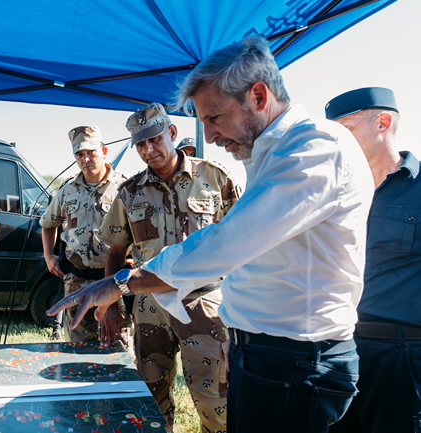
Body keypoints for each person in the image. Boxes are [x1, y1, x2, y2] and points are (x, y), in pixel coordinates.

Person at [48, 36, 375, 433]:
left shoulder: (314, 148)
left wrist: (122, 283)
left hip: (295, 359)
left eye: (215, 118)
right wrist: (237, 332)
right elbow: (253, 257)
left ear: (258, 95)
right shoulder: (268, 154)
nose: (211, 135)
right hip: (260, 348)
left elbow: (229, 241)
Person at [98, 102, 240, 430]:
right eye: (140, 145)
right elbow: (116, 253)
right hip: (151, 308)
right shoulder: (130, 192)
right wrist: (112, 304)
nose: (149, 150)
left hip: (204, 304)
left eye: (155, 140)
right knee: (150, 399)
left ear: (171, 133)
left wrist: (242, 313)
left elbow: (243, 244)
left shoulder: (215, 178)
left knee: (216, 402)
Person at [324, 87, 421, 433]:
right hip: (332, 351)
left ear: (382, 122)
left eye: (346, 130)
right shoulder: (328, 195)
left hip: (399, 356)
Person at [39, 126, 131, 344]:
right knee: (79, 346)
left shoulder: (124, 187)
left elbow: (139, 230)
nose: (85, 159)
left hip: (114, 282)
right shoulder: (67, 189)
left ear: (104, 151)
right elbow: (47, 223)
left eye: (91, 152)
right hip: (77, 280)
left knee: (118, 345)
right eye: (79, 154)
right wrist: (49, 257)